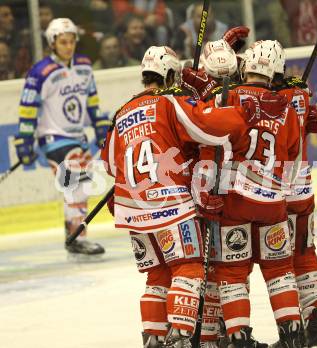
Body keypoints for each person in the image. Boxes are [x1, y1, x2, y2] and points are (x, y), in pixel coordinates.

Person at [100, 45, 287, 348]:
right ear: (171, 74)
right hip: (171, 204)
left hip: (132, 208)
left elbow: (109, 163)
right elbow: (208, 128)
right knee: (188, 266)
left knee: (157, 278)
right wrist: (239, 114)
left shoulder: (122, 112)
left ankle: (153, 338)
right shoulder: (169, 101)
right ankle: (181, 338)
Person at [183, 39, 303, 347]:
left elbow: (206, 134)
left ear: (245, 66)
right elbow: (292, 154)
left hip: (235, 201)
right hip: (273, 202)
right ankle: (293, 334)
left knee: (233, 271)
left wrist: (203, 93)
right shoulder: (286, 109)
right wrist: (280, 192)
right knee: (279, 269)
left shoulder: (231, 98)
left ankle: (238, 337)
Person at [13, 18, 110, 260]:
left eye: (71, 41)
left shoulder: (85, 66)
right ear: (52, 43)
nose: (68, 46)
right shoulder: (40, 72)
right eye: (63, 42)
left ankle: (74, 237)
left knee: (80, 187)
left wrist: (99, 128)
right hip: (53, 138)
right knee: (76, 183)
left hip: (76, 137)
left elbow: (92, 101)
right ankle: (77, 238)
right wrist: (25, 141)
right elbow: (28, 108)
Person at [271, 41, 317, 348]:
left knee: (279, 261)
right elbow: (316, 120)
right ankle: (315, 319)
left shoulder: (261, 96)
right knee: (305, 253)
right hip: (303, 187)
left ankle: (292, 330)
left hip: (273, 193)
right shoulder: (301, 91)